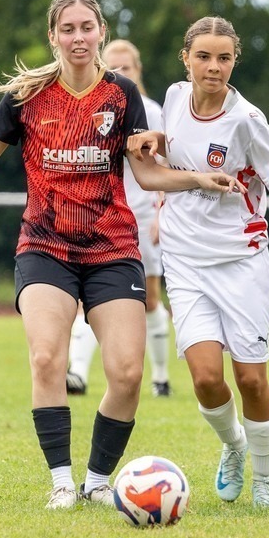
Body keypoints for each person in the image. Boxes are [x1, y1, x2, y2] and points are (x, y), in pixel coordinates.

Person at [0, 0, 244, 510]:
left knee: (128, 373)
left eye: (86, 27)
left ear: (101, 33)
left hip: (111, 246)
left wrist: (200, 179)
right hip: (45, 246)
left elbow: (148, 172)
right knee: (47, 356)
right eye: (67, 29)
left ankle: (96, 478)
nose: (78, 37)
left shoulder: (122, 95)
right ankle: (63, 482)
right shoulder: (27, 98)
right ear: (53, 37)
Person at [128, 16, 269, 508]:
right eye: (204, 57)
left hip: (242, 263)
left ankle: (264, 475)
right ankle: (234, 448)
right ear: (186, 59)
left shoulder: (248, 121)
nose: (213, 67)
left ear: (235, 61)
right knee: (206, 378)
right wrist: (156, 140)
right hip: (185, 261)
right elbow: (176, 146)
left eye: (224, 58)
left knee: (251, 379)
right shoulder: (173, 98)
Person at [66, 39, 174, 398]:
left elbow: (165, 167)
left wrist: (162, 211)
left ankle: (160, 376)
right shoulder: (90, 106)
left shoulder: (153, 111)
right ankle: (78, 372)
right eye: (113, 67)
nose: (119, 74)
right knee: (87, 295)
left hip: (141, 215)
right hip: (97, 214)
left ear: (137, 69)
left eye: (126, 67)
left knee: (149, 298)